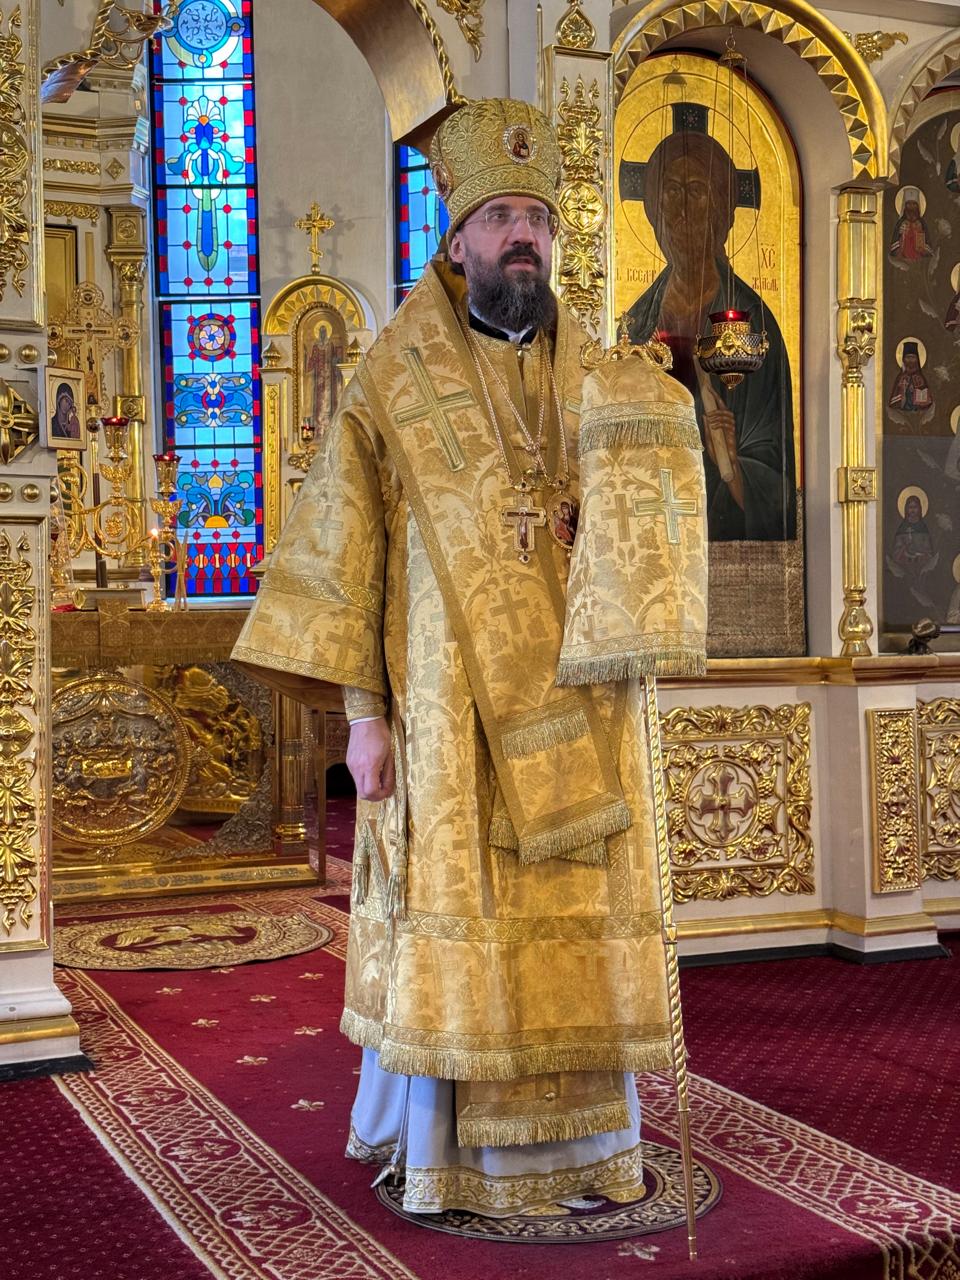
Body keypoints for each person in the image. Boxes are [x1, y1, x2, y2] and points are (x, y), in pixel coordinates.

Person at [233, 99, 704, 1218]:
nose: (520, 235)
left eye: (535, 217)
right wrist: (364, 717)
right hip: (445, 717)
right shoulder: (392, 381)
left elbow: (647, 538)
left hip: (585, 707)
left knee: (577, 920)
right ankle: (448, 1154)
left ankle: (588, 1149)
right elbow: (345, 559)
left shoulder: (608, 378)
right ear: (456, 240)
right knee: (458, 919)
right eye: (499, 217)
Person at [625, 129, 796, 541]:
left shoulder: (754, 323)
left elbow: (775, 469)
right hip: (649, 530)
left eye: (697, 191)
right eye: (671, 191)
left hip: (729, 537)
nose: (682, 209)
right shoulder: (635, 325)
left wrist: (732, 461)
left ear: (721, 210)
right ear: (653, 210)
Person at [889, 187, 934, 261]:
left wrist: (919, 231)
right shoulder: (900, 223)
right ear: (905, 206)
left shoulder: (922, 223)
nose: (911, 207)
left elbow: (927, 249)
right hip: (903, 259)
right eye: (909, 204)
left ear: (918, 206)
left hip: (919, 260)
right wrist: (901, 233)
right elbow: (894, 249)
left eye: (914, 204)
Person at [888, 342, 933, 413]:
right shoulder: (900, 377)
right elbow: (895, 398)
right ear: (904, 359)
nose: (910, 360)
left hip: (918, 411)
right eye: (908, 357)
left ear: (917, 360)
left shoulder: (920, 377)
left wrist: (915, 391)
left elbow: (927, 401)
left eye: (913, 357)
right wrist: (904, 390)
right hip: (902, 411)